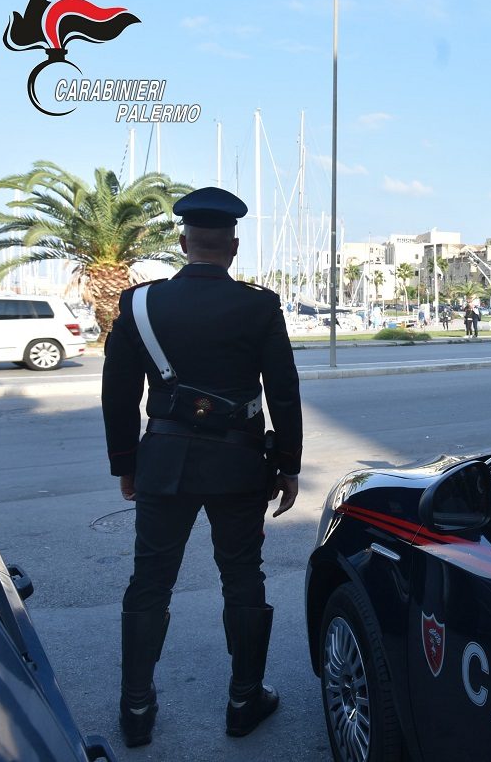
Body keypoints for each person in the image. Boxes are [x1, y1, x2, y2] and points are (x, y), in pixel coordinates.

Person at [101, 186, 303, 747]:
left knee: (149, 584)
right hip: (238, 466)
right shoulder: (258, 306)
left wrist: (126, 463)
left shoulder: (139, 304)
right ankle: (244, 701)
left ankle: (136, 710)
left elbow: (117, 392)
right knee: (243, 579)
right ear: (232, 247)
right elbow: (283, 393)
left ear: (184, 242)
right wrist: (288, 465)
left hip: (161, 463)